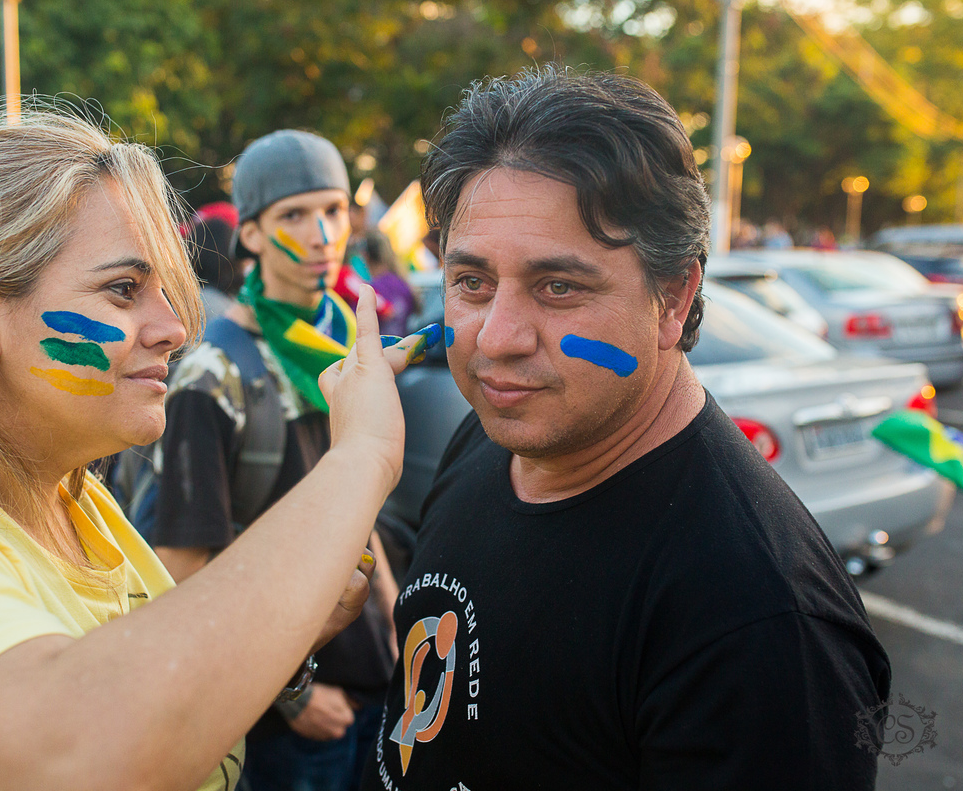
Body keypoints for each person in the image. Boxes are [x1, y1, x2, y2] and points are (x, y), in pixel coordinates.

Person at [0, 99, 419, 791]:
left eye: (164, 289)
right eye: (123, 290)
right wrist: (361, 454)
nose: (174, 329)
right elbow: (68, 756)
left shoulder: (79, 501)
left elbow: (150, 694)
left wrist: (290, 633)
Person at [364, 66, 890, 789]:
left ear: (674, 298)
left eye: (559, 287)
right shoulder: (492, 437)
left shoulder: (759, 620)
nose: (496, 338)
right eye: (472, 282)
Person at [151, 129, 405, 791]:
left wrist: (395, 614)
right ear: (253, 234)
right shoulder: (212, 376)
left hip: (378, 689)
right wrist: (287, 695)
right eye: (294, 215)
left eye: (334, 210)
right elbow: (184, 576)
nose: (322, 233)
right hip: (285, 719)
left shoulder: (345, 344)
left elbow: (353, 498)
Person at [362, 232, 418, 336]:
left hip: (378, 348)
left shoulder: (370, 290)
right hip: (403, 347)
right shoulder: (403, 284)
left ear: (366, 256)